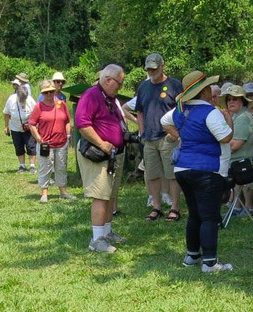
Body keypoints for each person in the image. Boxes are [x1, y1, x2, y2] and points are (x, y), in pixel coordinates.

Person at [161, 71, 233, 272]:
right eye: (208, 87)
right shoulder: (210, 112)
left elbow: (164, 121)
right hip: (207, 170)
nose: (210, 90)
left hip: (182, 168)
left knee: (194, 214)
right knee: (209, 216)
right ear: (204, 91)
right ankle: (210, 262)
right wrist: (229, 119)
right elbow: (225, 137)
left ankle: (192, 255)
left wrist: (181, 136)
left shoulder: (180, 110)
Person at [75, 64, 129, 253]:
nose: (120, 87)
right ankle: (97, 240)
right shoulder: (91, 95)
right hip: (98, 154)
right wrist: (102, 143)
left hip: (113, 154)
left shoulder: (109, 98)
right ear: (107, 80)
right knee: (100, 195)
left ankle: (107, 232)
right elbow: (82, 124)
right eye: (119, 83)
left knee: (110, 195)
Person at [135, 53, 183, 222]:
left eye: (154, 69)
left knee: (171, 174)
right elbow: (139, 111)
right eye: (148, 69)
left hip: (168, 137)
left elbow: (182, 109)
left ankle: (175, 207)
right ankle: (156, 207)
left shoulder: (174, 85)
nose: (151, 72)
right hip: (149, 138)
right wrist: (142, 132)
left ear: (163, 66)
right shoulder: (143, 87)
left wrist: (175, 133)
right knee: (152, 175)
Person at [29, 79, 75, 202]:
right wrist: (38, 138)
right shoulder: (39, 106)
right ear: (42, 93)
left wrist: (68, 135)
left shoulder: (62, 104)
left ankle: (63, 192)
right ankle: (44, 193)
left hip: (61, 143)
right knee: (45, 167)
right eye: (46, 92)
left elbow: (67, 121)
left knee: (61, 167)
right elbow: (31, 124)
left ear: (55, 91)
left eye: (51, 91)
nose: (49, 94)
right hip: (46, 144)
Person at [222, 84, 253, 216]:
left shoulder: (243, 118)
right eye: (228, 99)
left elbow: (235, 145)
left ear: (242, 101)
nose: (231, 102)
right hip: (238, 161)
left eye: (235, 99)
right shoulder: (237, 116)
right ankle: (236, 206)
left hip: (242, 163)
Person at [3, 76, 37, 172]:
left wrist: (33, 125)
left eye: (24, 99)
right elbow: (6, 113)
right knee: (18, 146)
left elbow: (36, 114)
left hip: (28, 128)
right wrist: (6, 126)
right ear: (17, 95)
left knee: (31, 146)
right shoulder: (11, 99)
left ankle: (32, 166)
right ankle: (22, 166)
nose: (22, 101)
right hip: (15, 127)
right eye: (21, 99)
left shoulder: (30, 100)